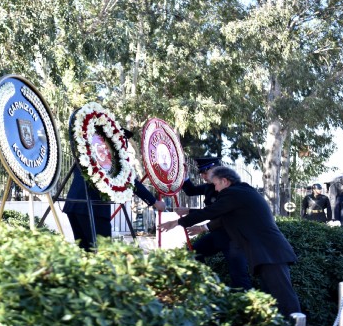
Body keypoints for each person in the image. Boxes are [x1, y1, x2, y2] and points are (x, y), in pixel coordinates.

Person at [158, 166, 301, 316]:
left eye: (216, 185)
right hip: (265, 254)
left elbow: (211, 211)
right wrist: (193, 222)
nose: (216, 190)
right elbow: (219, 217)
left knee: (284, 299)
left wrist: (177, 223)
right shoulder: (241, 193)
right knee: (273, 299)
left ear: (225, 181)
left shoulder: (234, 193)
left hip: (270, 253)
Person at [64, 130, 166, 251]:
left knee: (85, 252)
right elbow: (130, 181)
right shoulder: (109, 158)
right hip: (93, 209)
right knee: (103, 252)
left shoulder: (89, 150)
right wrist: (154, 201)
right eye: (122, 140)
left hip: (73, 205)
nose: (124, 144)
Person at [181, 157, 251, 290]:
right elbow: (191, 191)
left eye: (204, 172)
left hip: (233, 237)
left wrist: (191, 213)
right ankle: (206, 286)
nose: (202, 176)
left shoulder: (228, 188)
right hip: (217, 234)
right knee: (193, 252)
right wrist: (185, 177)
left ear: (216, 170)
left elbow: (217, 212)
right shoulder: (209, 186)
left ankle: (245, 304)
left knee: (239, 276)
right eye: (200, 173)